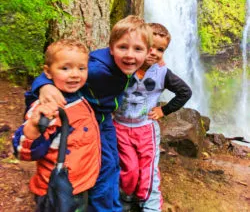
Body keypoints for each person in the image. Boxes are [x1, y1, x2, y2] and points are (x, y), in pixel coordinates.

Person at [24, 15, 152, 212]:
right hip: (85, 121)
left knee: (111, 164)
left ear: (147, 52)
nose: (130, 55)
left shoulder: (133, 62)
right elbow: (56, 73)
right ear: (111, 48)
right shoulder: (97, 69)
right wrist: (43, 85)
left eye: (138, 49)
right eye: (123, 47)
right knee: (103, 165)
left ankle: (108, 204)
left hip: (104, 118)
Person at [12, 39, 101, 212]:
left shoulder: (77, 94)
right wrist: (34, 127)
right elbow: (23, 152)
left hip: (80, 184)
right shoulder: (48, 108)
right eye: (65, 68)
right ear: (48, 72)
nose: (75, 74)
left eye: (81, 68)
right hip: (57, 189)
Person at [113, 23, 192, 211]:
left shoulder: (163, 73)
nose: (154, 52)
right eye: (150, 47)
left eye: (160, 49)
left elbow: (184, 92)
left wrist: (164, 111)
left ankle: (147, 203)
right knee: (129, 168)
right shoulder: (125, 65)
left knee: (148, 170)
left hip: (145, 129)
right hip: (120, 127)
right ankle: (126, 198)